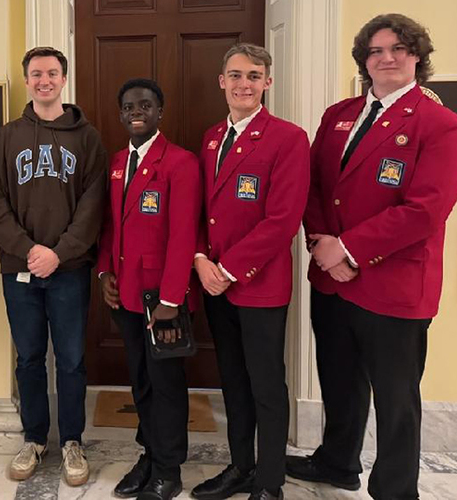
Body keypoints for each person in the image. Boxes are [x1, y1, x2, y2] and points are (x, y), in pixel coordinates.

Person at [290, 14, 457, 500]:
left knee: (395, 399)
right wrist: (322, 243)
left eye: (397, 49)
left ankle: (393, 489)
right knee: (340, 382)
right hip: (331, 277)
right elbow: (314, 187)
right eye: (375, 51)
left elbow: (425, 211)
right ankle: (337, 462)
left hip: (394, 286)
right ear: (363, 60)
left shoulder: (444, 125)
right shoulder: (338, 115)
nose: (386, 58)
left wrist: (347, 249)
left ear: (417, 56)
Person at [0, 46, 108, 486]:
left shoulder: (87, 137)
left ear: (63, 78)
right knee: (30, 357)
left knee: (71, 359)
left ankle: (72, 440)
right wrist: (28, 249)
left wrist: (60, 252)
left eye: (52, 73)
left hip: (69, 270)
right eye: (36, 74)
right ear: (27, 80)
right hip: (18, 269)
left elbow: (94, 204)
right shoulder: (7, 136)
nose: (44, 81)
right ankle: (35, 438)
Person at [190, 44, 310, 500]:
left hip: (258, 285)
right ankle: (240, 467)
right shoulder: (210, 138)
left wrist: (227, 268)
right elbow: (201, 210)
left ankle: (270, 481)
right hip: (214, 284)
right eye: (236, 75)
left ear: (267, 83)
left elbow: (283, 220)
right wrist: (201, 259)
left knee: (265, 386)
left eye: (254, 76)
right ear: (222, 81)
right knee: (233, 382)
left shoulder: (288, 138)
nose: (244, 84)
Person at [97, 78, 200, 500]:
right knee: (139, 380)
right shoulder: (119, 161)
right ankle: (150, 454)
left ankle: (169, 469)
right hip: (126, 293)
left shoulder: (180, 162)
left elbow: (183, 236)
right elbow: (110, 226)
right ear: (120, 114)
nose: (135, 112)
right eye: (128, 106)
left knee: (166, 384)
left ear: (160, 112)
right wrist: (105, 274)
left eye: (144, 105)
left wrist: (172, 299)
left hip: (162, 298)